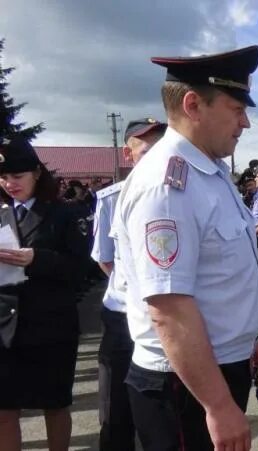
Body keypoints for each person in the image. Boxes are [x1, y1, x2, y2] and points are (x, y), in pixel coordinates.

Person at [114, 46, 258, 451]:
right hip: (185, 386)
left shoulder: (208, 171)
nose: (246, 123)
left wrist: (247, 338)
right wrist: (217, 405)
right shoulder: (167, 186)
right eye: (237, 109)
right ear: (193, 104)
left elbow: (220, 275)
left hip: (210, 368)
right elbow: (169, 308)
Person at [0, 136, 90, 451]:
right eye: (4, 177)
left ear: (37, 173)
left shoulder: (63, 214)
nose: (10, 184)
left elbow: (82, 269)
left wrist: (38, 259)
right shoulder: (0, 212)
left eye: (17, 176)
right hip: (5, 328)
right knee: (4, 408)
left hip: (50, 326)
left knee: (54, 404)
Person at [91, 117, 166, 451]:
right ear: (128, 153)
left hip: (162, 318)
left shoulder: (175, 191)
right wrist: (137, 292)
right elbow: (104, 258)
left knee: (159, 409)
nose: (156, 156)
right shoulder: (111, 199)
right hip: (123, 315)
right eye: (147, 149)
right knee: (116, 408)